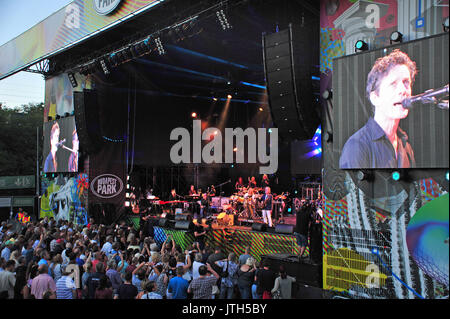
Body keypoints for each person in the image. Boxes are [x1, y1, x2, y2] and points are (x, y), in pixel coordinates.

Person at [340, 49, 417, 169]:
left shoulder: (406, 146)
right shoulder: (357, 145)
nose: (403, 90)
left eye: (406, 82)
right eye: (393, 84)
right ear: (375, 98)